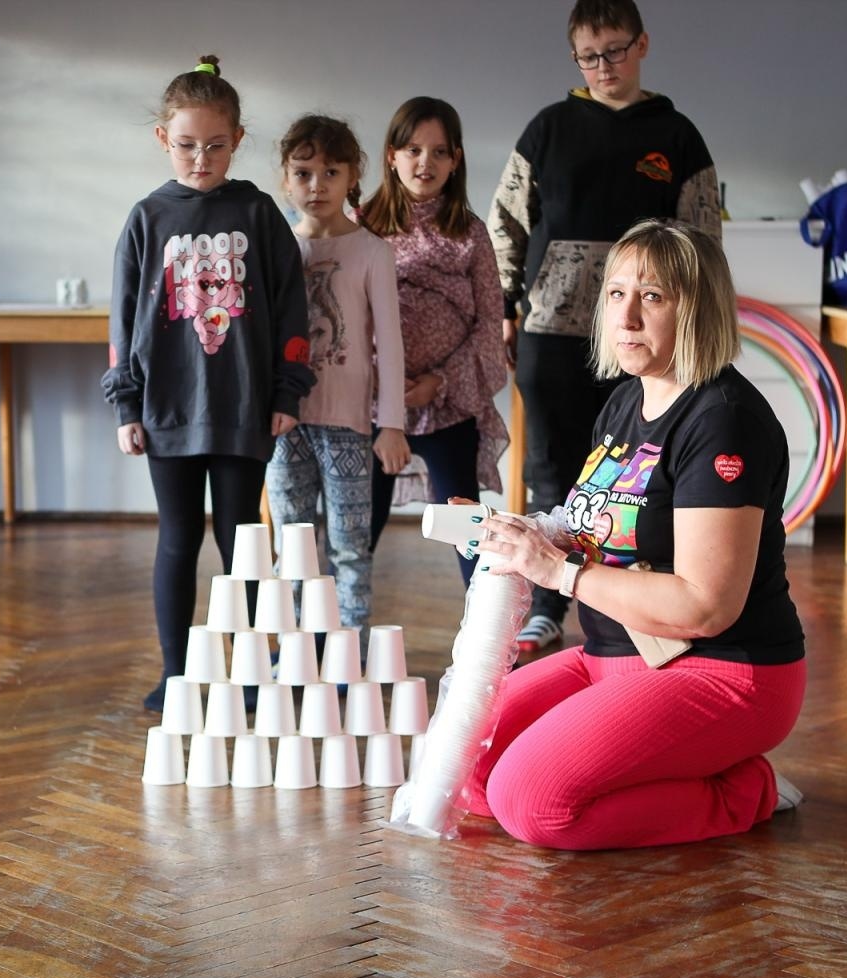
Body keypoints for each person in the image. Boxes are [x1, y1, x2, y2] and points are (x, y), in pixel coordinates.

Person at [462, 219, 806, 851]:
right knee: (468, 765)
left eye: (652, 297)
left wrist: (559, 574)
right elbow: (592, 519)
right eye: (616, 293)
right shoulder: (625, 401)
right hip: (617, 656)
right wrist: (523, 530)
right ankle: (673, 767)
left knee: (532, 804)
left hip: (721, 671)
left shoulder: (724, 422)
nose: (626, 317)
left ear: (696, 309)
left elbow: (705, 606)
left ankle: (744, 791)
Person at [490, 0, 721, 653]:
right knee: (554, 471)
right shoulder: (548, 128)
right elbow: (504, 223)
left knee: (638, 476)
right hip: (553, 331)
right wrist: (507, 305)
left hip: (648, 341)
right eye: (589, 56)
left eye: (615, 51)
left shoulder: (676, 135)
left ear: (642, 44)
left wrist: (693, 323)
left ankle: (636, 608)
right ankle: (544, 605)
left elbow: (702, 237)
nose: (603, 66)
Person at [103, 56, 315, 711]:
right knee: (176, 539)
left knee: (242, 542)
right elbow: (121, 316)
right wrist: (126, 405)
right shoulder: (146, 218)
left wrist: (287, 393)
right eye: (188, 145)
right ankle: (175, 673)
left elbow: (291, 308)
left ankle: (253, 671)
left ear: (237, 142)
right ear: (165, 140)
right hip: (167, 411)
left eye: (215, 145)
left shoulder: (258, 213)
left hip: (244, 409)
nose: (201, 158)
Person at [269, 114, 410, 640]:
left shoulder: (373, 252)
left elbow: (389, 345)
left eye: (331, 172)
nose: (316, 185)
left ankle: (350, 649)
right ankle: (297, 649)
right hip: (285, 425)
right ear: (285, 178)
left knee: (350, 543)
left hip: (349, 426)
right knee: (292, 542)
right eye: (303, 173)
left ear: (354, 177)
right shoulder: (278, 247)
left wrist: (389, 424)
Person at [361, 96, 509, 586]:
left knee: (466, 527)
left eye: (439, 152)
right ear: (391, 155)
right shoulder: (362, 226)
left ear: (456, 160)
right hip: (375, 407)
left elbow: (491, 324)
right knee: (359, 526)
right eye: (413, 150)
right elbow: (342, 312)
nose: (425, 163)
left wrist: (438, 383)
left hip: (447, 405)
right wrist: (384, 380)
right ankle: (329, 640)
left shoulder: (470, 233)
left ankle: (486, 643)